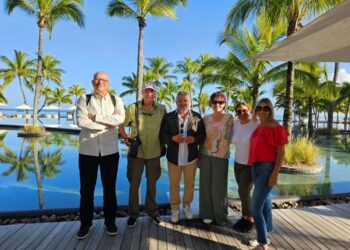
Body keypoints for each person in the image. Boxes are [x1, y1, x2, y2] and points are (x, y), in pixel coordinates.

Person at [76, 71, 125, 239]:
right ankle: (85, 224)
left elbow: (119, 120)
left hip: (110, 152)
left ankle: (110, 223)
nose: (100, 82)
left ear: (108, 83)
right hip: (87, 152)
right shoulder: (84, 99)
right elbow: (81, 121)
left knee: (110, 189)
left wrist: (95, 118)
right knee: (86, 190)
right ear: (92, 82)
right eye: (97, 79)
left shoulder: (116, 100)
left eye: (104, 80)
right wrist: (106, 124)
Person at [119, 81, 166, 228]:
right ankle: (133, 214)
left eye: (151, 91)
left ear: (155, 93)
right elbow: (120, 124)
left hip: (154, 152)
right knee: (134, 184)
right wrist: (125, 137)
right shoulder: (133, 108)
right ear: (142, 93)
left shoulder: (162, 109)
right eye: (146, 91)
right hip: (137, 153)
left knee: (152, 183)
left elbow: (166, 128)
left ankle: (153, 212)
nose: (149, 94)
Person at [248, 98, 289, 250]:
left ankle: (263, 242)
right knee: (265, 204)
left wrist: (275, 174)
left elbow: (281, 153)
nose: (262, 111)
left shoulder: (276, 127)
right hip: (255, 167)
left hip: (267, 169)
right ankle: (266, 234)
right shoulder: (259, 126)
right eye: (259, 108)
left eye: (266, 108)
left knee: (254, 208)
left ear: (271, 110)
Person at [160, 91, 206, 223]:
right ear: (176, 102)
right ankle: (175, 209)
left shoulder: (197, 117)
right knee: (173, 184)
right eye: (180, 100)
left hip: (191, 157)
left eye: (185, 100)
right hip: (173, 158)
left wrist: (194, 139)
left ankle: (186, 206)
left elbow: (202, 135)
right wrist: (172, 138)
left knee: (189, 184)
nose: (182, 103)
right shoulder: (168, 117)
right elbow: (162, 135)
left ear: (190, 102)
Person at [199, 91, 234, 225]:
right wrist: (198, 156)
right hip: (205, 154)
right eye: (215, 101)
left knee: (219, 187)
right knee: (205, 185)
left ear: (225, 104)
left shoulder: (230, 118)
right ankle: (207, 213)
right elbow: (202, 138)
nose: (217, 104)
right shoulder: (206, 119)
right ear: (211, 103)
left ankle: (220, 215)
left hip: (222, 156)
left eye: (221, 102)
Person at [231, 101, 258, 233]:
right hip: (237, 163)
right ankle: (245, 217)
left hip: (250, 164)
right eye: (239, 111)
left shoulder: (256, 123)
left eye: (244, 110)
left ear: (250, 110)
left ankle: (251, 219)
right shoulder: (236, 124)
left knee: (244, 192)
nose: (242, 113)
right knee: (242, 193)